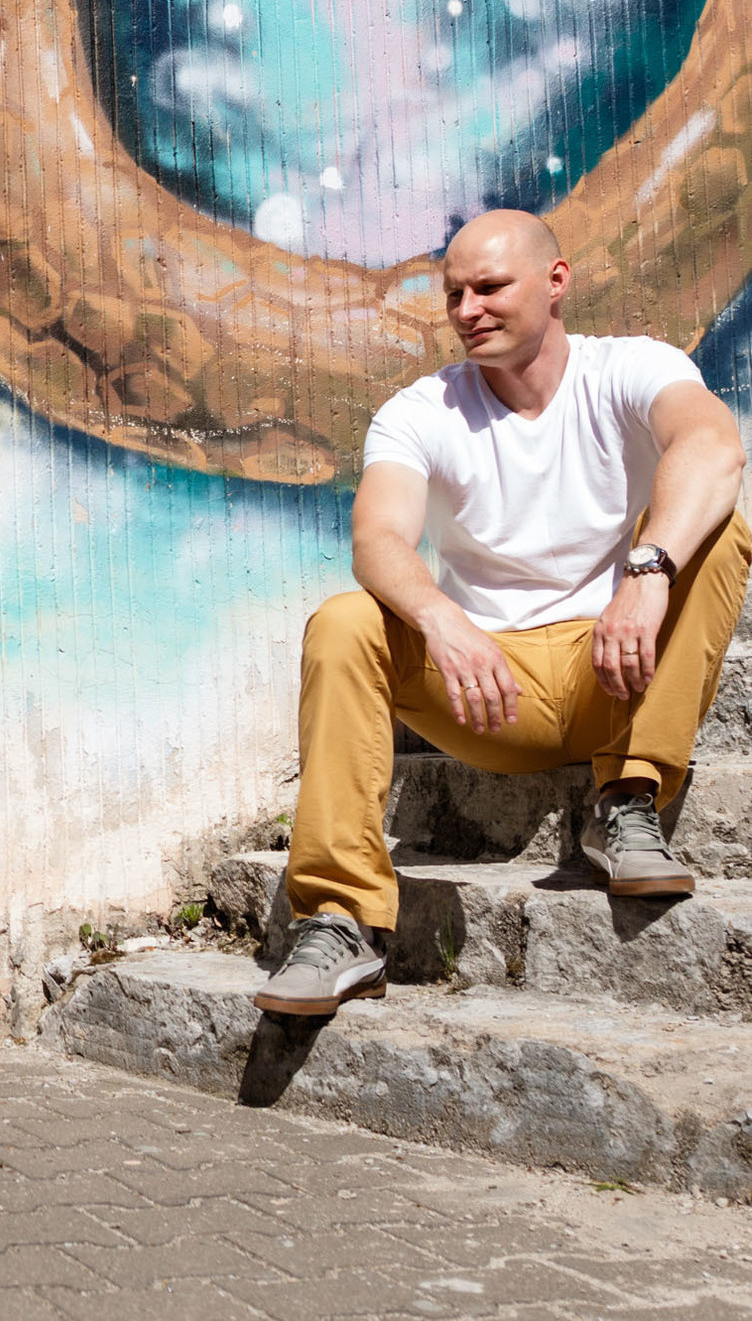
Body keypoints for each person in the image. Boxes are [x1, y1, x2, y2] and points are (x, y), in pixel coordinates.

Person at [256, 209, 750, 1017]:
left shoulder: (629, 368)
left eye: (489, 287)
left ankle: (626, 799)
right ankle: (344, 918)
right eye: (454, 294)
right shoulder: (422, 410)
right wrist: (441, 618)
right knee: (345, 619)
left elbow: (713, 446)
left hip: (616, 669)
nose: (467, 310)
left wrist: (649, 567)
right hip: (490, 689)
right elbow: (378, 537)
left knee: (721, 531)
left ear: (557, 283)